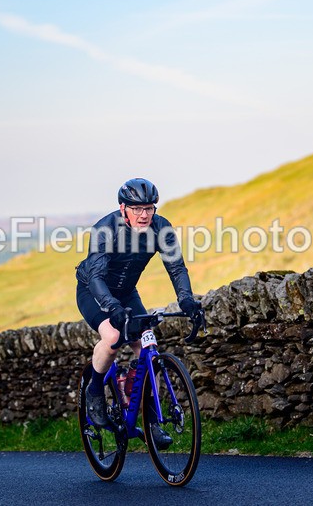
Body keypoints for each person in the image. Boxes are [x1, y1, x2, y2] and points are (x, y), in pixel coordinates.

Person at [75, 178, 203, 449]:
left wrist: (187, 300)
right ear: (123, 208)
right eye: (137, 209)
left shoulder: (161, 228)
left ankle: (151, 419)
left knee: (147, 343)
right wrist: (112, 308)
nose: (144, 214)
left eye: (149, 208)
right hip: (93, 291)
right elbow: (96, 276)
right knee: (111, 339)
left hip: (127, 293)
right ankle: (95, 390)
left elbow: (177, 268)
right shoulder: (105, 229)